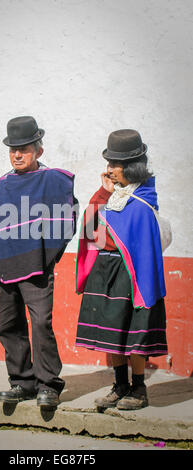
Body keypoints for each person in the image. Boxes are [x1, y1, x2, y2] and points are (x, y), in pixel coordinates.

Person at [0, 116, 78, 408]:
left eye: (24, 148)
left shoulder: (54, 181)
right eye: (13, 149)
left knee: (41, 324)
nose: (17, 154)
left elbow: (69, 218)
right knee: (8, 325)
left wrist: (49, 254)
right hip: (4, 267)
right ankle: (22, 382)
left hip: (37, 266)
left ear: (39, 151)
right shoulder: (0, 186)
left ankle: (49, 385)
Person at [75, 129, 168, 411]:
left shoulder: (142, 200)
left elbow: (129, 235)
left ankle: (138, 388)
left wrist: (110, 234)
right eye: (109, 164)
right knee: (110, 331)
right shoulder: (110, 196)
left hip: (133, 274)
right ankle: (119, 386)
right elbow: (92, 227)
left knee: (134, 331)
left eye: (117, 165)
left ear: (133, 167)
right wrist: (103, 192)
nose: (111, 170)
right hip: (105, 271)